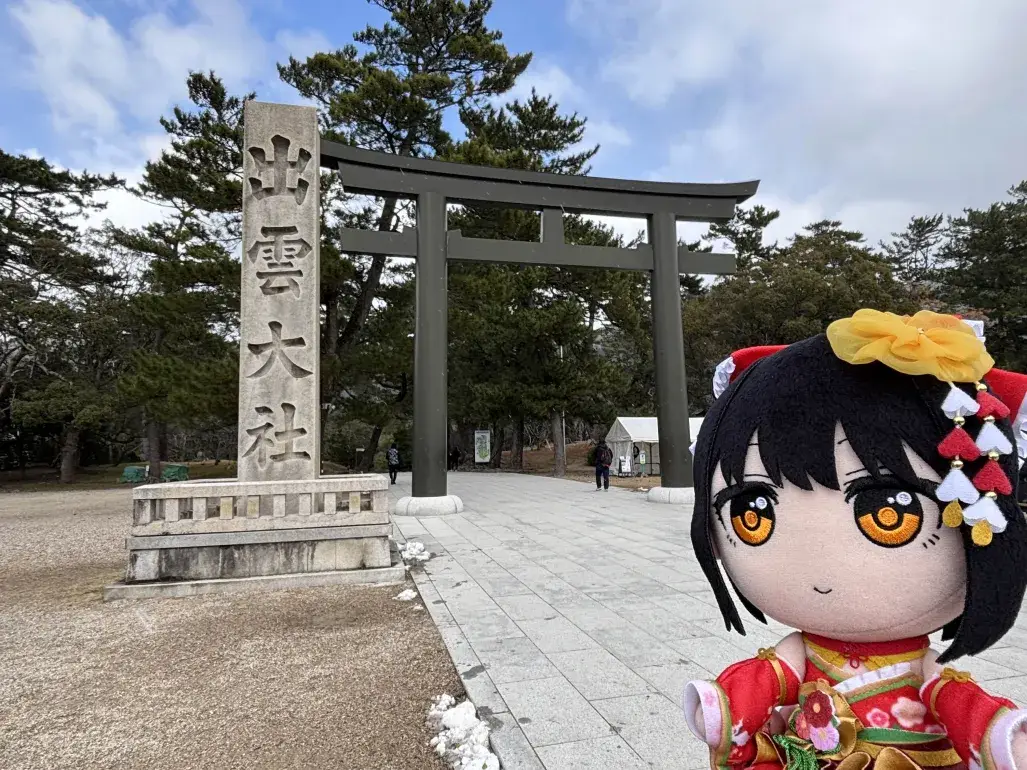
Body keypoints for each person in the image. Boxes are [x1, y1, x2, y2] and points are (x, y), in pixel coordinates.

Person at [683, 309, 1027, 770]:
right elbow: (765, 679)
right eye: (753, 515)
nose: (820, 568)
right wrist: (724, 708)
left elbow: (960, 702)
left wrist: (1001, 734)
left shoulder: (925, 670)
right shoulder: (800, 653)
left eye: (889, 515)